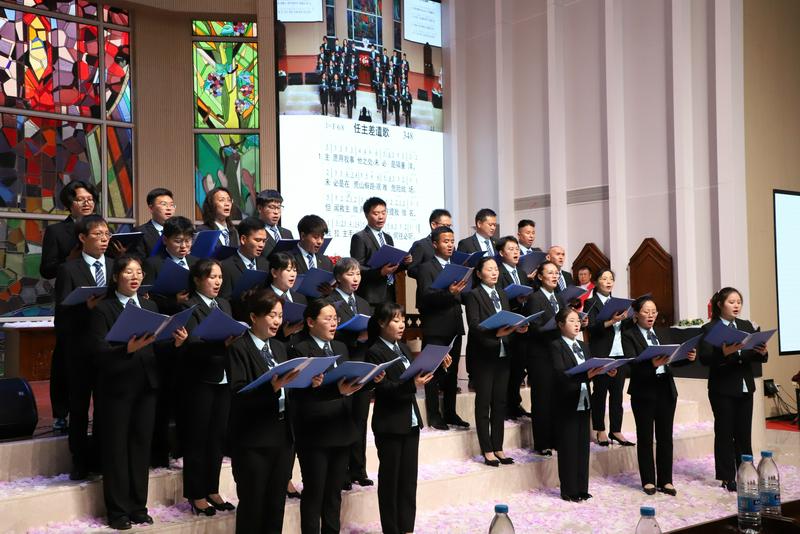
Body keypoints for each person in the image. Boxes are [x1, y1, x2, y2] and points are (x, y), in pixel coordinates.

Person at [89, 255, 188, 530]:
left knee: (140, 448)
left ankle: (137, 506)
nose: (135, 277)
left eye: (139, 272)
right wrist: (126, 350)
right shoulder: (103, 310)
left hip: (147, 386)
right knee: (116, 450)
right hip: (116, 389)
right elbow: (97, 354)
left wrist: (176, 344)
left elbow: (155, 348)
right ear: (116, 277)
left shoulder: (149, 304)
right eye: (128, 272)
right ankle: (118, 511)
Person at [288, 300, 378, 534]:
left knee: (334, 493)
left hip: (341, 428)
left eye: (335, 318)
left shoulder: (340, 347)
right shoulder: (300, 349)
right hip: (315, 432)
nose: (333, 323)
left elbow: (346, 385)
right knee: (314, 492)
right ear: (310, 322)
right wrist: (322, 388)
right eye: (327, 318)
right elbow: (297, 395)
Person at [366, 302, 449, 534]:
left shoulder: (402, 348)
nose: (401, 324)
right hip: (390, 424)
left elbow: (418, 376)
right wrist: (412, 384)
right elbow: (383, 389)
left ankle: (407, 528)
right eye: (395, 320)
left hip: (410, 423)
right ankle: (392, 529)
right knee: (391, 482)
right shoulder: (375, 351)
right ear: (382, 323)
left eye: (402, 319)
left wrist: (439, 366)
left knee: (408, 481)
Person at [227, 288, 303, 533]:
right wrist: (271, 388)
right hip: (253, 441)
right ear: (254, 317)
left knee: (275, 506)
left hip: (282, 438)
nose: (277, 321)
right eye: (271, 315)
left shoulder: (280, 348)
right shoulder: (239, 348)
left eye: (280, 315)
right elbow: (238, 394)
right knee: (253, 506)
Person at [54, 214, 112, 480]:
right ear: (82, 238)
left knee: (105, 406)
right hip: (80, 349)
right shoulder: (69, 269)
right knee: (78, 408)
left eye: (106, 234)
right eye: (97, 234)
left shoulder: (115, 267)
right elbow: (62, 317)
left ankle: (100, 457)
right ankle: (79, 461)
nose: (103, 239)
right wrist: (84, 308)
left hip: (110, 348)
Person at [622, 295, 696, 496]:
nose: (651, 315)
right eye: (646, 312)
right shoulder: (628, 335)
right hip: (643, 390)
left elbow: (672, 359)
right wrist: (651, 364)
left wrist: (687, 358)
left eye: (654, 312)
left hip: (665, 389)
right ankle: (648, 480)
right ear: (636, 315)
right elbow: (630, 366)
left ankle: (666, 480)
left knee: (665, 437)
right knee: (645, 437)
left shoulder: (662, 333)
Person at [41, 179, 99, 432]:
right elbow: (46, 269)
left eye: (90, 199)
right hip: (70, 306)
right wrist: (70, 259)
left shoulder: (101, 228)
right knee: (65, 362)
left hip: (98, 306)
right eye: (80, 199)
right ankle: (61, 413)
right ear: (69, 204)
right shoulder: (57, 232)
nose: (87, 203)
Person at [698, 287, 769, 492]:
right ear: (720, 304)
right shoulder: (710, 328)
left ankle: (745, 471)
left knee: (744, 432)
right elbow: (705, 359)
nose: (736, 305)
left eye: (739, 302)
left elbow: (754, 354)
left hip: (745, 385)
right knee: (725, 432)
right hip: (723, 387)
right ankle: (727, 476)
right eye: (732, 302)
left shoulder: (746, 325)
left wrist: (762, 352)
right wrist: (725, 352)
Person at [180, 259, 236, 516]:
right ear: (197, 280)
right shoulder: (189, 306)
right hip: (199, 380)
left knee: (217, 437)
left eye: (220, 277)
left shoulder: (223, 304)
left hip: (224, 377)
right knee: (198, 439)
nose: (217, 281)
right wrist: (221, 344)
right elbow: (192, 344)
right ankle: (196, 493)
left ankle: (212, 488)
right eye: (212, 277)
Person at [464, 257, 527, 466]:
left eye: (495, 269)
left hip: (503, 353)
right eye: (489, 269)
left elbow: (506, 319)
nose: (494, 272)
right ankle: (487, 449)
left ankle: (498, 447)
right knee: (484, 403)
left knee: (500, 402)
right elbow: (474, 325)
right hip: (484, 355)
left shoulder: (501, 293)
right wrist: (496, 333)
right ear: (479, 273)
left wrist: (516, 327)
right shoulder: (474, 295)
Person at [551, 308, 616, 502]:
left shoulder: (584, 346)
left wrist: (605, 371)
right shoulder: (556, 345)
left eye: (578, 320)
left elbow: (591, 368)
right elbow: (560, 374)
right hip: (566, 401)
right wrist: (585, 375)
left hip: (584, 399)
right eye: (571, 321)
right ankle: (568, 490)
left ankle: (582, 488)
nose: (577, 324)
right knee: (568, 446)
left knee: (582, 446)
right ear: (561, 325)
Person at [415, 226, 469, 430]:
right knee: (432, 373)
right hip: (435, 327)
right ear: (435, 244)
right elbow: (424, 298)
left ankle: (450, 412)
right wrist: (449, 292)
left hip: (455, 326)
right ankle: (434, 415)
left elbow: (462, 296)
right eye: (445, 241)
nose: (450, 245)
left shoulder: (456, 267)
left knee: (452, 372)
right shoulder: (426, 268)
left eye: (452, 241)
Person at [328, 257, 374, 488]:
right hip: (344, 366)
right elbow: (329, 335)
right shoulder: (330, 302)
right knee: (344, 420)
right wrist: (355, 336)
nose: (355, 278)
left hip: (362, 367)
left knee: (360, 420)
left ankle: (359, 469)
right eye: (350, 274)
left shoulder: (365, 304)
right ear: (338, 278)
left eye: (357, 274)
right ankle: (343, 472)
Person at [523, 260, 570, 455]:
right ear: (540, 277)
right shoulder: (535, 298)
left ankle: (556, 439)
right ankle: (542, 442)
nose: (554, 276)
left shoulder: (559, 298)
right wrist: (552, 326)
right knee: (542, 400)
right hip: (540, 355)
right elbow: (533, 328)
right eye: (550, 273)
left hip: (557, 353)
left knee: (557, 399)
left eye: (556, 273)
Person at [584, 268, 634, 447]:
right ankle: (600, 429)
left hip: (619, 352)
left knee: (617, 394)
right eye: (604, 278)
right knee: (600, 393)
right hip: (601, 353)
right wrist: (611, 321)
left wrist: (630, 318)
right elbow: (590, 329)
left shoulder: (619, 303)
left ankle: (616, 430)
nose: (608, 281)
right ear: (596, 282)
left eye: (611, 278)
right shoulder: (591, 302)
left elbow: (626, 329)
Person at [351, 197, 412, 308]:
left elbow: (391, 266)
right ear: (366, 215)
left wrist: (404, 263)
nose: (381, 217)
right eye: (376, 213)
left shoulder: (388, 238)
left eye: (384, 213)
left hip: (390, 293)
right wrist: (380, 272)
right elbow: (357, 268)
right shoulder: (360, 237)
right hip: (371, 296)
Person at [495, 236, 532, 419]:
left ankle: (515, 404)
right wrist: (515, 300)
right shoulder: (498, 273)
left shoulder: (523, 274)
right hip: (508, 327)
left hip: (522, 326)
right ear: (501, 253)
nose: (516, 252)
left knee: (519, 368)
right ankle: (505, 407)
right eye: (511, 249)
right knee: (507, 369)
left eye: (517, 249)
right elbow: (499, 301)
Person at [143, 216, 197, 315]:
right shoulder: (153, 264)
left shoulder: (196, 262)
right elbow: (146, 298)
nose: (184, 246)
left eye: (188, 241)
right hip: (166, 317)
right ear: (164, 240)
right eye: (178, 241)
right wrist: (174, 300)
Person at [219, 217, 269, 300]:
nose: (261, 245)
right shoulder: (226, 266)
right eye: (258, 240)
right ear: (243, 239)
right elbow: (224, 301)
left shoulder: (265, 264)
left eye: (264, 241)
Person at [407, 208, 452, 279]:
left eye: (449, 226)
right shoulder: (421, 245)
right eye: (445, 225)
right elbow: (411, 270)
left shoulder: (451, 246)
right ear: (433, 225)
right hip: (428, 288)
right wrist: (431, 273)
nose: (447, 229)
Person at [134, 188, 175, 258]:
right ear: (151, 208)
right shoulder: (140, 232)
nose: (169, 208)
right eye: (164, 204)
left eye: (171, 205)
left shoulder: (179, 231)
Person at [256, 189, 293, 257]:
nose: (276, 212)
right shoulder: (255, 232)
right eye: (272, 207)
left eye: (278, 207)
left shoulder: (287, 233)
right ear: (260, 208)